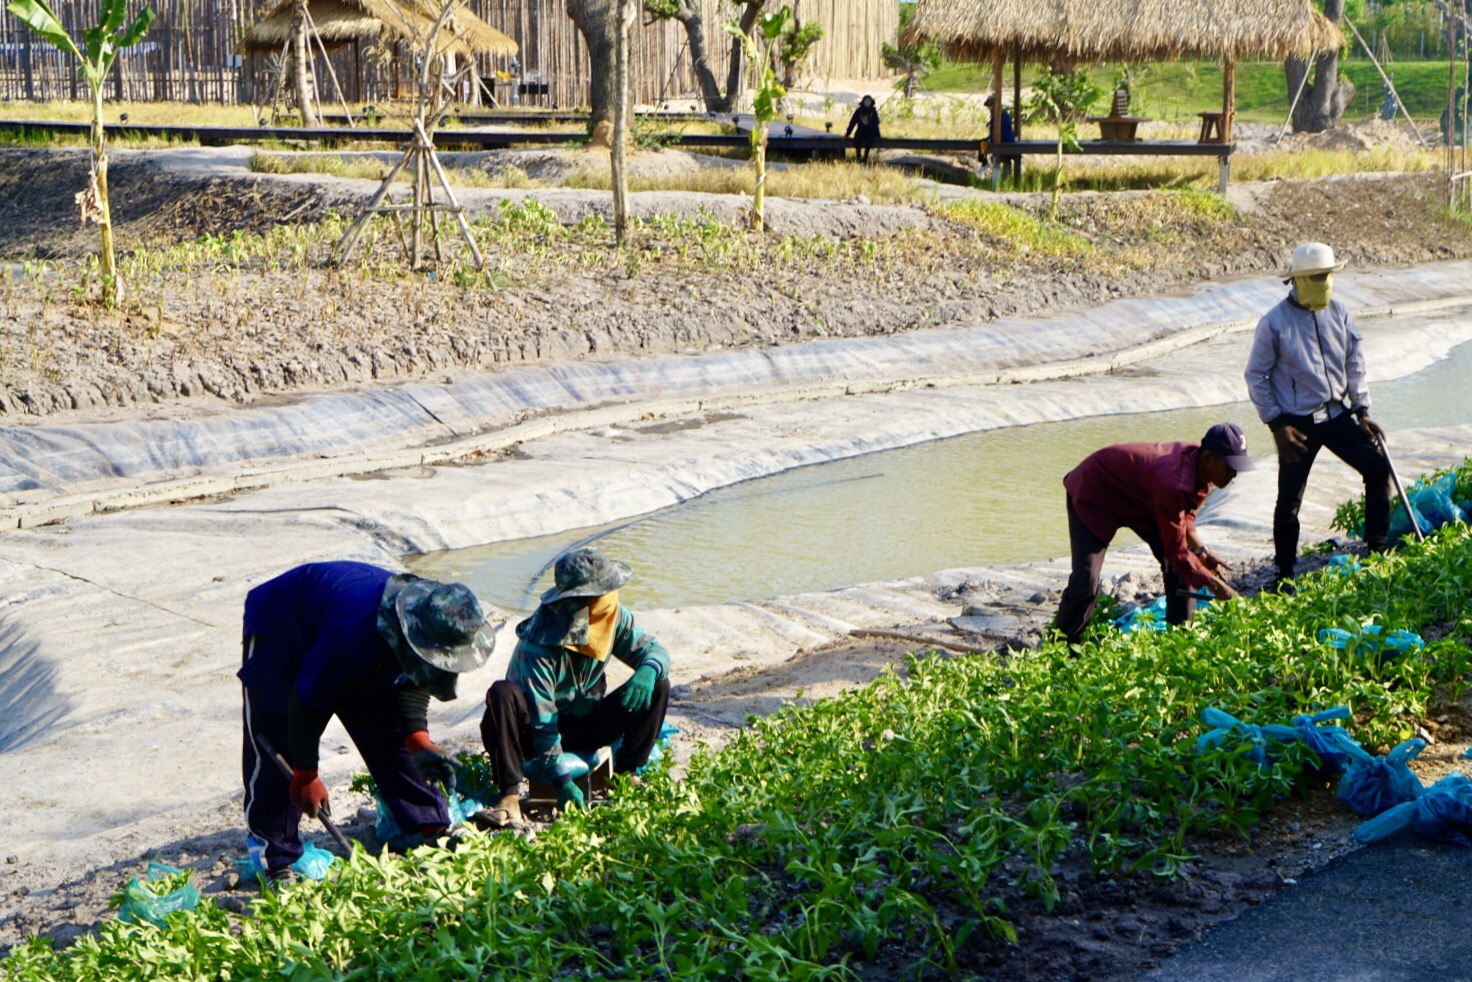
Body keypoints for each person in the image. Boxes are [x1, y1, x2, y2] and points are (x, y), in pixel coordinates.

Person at [239, 561, 500, 879]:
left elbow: (414, 678)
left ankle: (431, 824)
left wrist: (418, 738)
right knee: (277, 747)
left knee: (393, 738)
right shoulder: (351, 634)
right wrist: (307, 774)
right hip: (284, 628)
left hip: (347, 637)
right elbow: (304, 703)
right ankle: (278, 858)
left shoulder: (428, 620)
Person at [480, 546, 670, 828]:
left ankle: (626, 773)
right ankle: (508, 796)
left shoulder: (611, 617)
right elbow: (543, 719)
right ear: (579, 601)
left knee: (658, 683)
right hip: (531, 736)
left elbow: (655, 651)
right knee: (501, 693)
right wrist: (561, 780)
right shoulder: (540, 643)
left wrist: (648, 669)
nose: (611, 598)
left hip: (581, 722)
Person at [1244, 242, 1391, 591]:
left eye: (1328, 276)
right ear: (1297, 280)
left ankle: (1376, 550)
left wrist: (1362, 409)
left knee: (1377, 467)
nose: (1325, 282)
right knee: (1290, 500)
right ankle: (1284, 572)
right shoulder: (1275, 323)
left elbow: (1355, 361)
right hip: (1297, 424)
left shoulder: (1339, 311)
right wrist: (1277, 425)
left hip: (1338, 414)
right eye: (1317, 277)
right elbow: (1256, 376)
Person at [1054, 424, 1251, 645]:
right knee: (1086, 580)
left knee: (1180, 568)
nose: (1232, 475)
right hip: (1096, 492)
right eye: (1229, 467)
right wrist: (1218, 587)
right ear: (1208, 458)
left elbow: (1184, 516)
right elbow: (1176, 549)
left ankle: (1180, 641)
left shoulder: (1200, 469)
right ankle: (1063, 648)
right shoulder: (1172, 481)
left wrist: (1202, 552)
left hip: (1142, 501)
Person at [984, 94, 1017, 180]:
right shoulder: (1003, 114)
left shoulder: (999, 116)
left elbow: (997, 131)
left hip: (1005, 142)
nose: (989, 108)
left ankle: (998, 179)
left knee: (983, 146)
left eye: (990, 105)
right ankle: (1005, 179)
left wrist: (989, 139)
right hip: (1008, 141)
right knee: (1005, 160)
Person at [845, 95, 881, 164]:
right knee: (857, 137)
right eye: (866, 101)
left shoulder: (873, 112)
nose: (867, 103)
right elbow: (852, 123)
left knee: (870, 138)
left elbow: (876, 125)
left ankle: (865, 157)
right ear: (863, 102)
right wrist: (847, 134)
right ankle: (858, 156)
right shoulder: (858, 111)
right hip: (860, 131)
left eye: (869, 101)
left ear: (871, 102)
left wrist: (878, 136)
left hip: (870, 132)